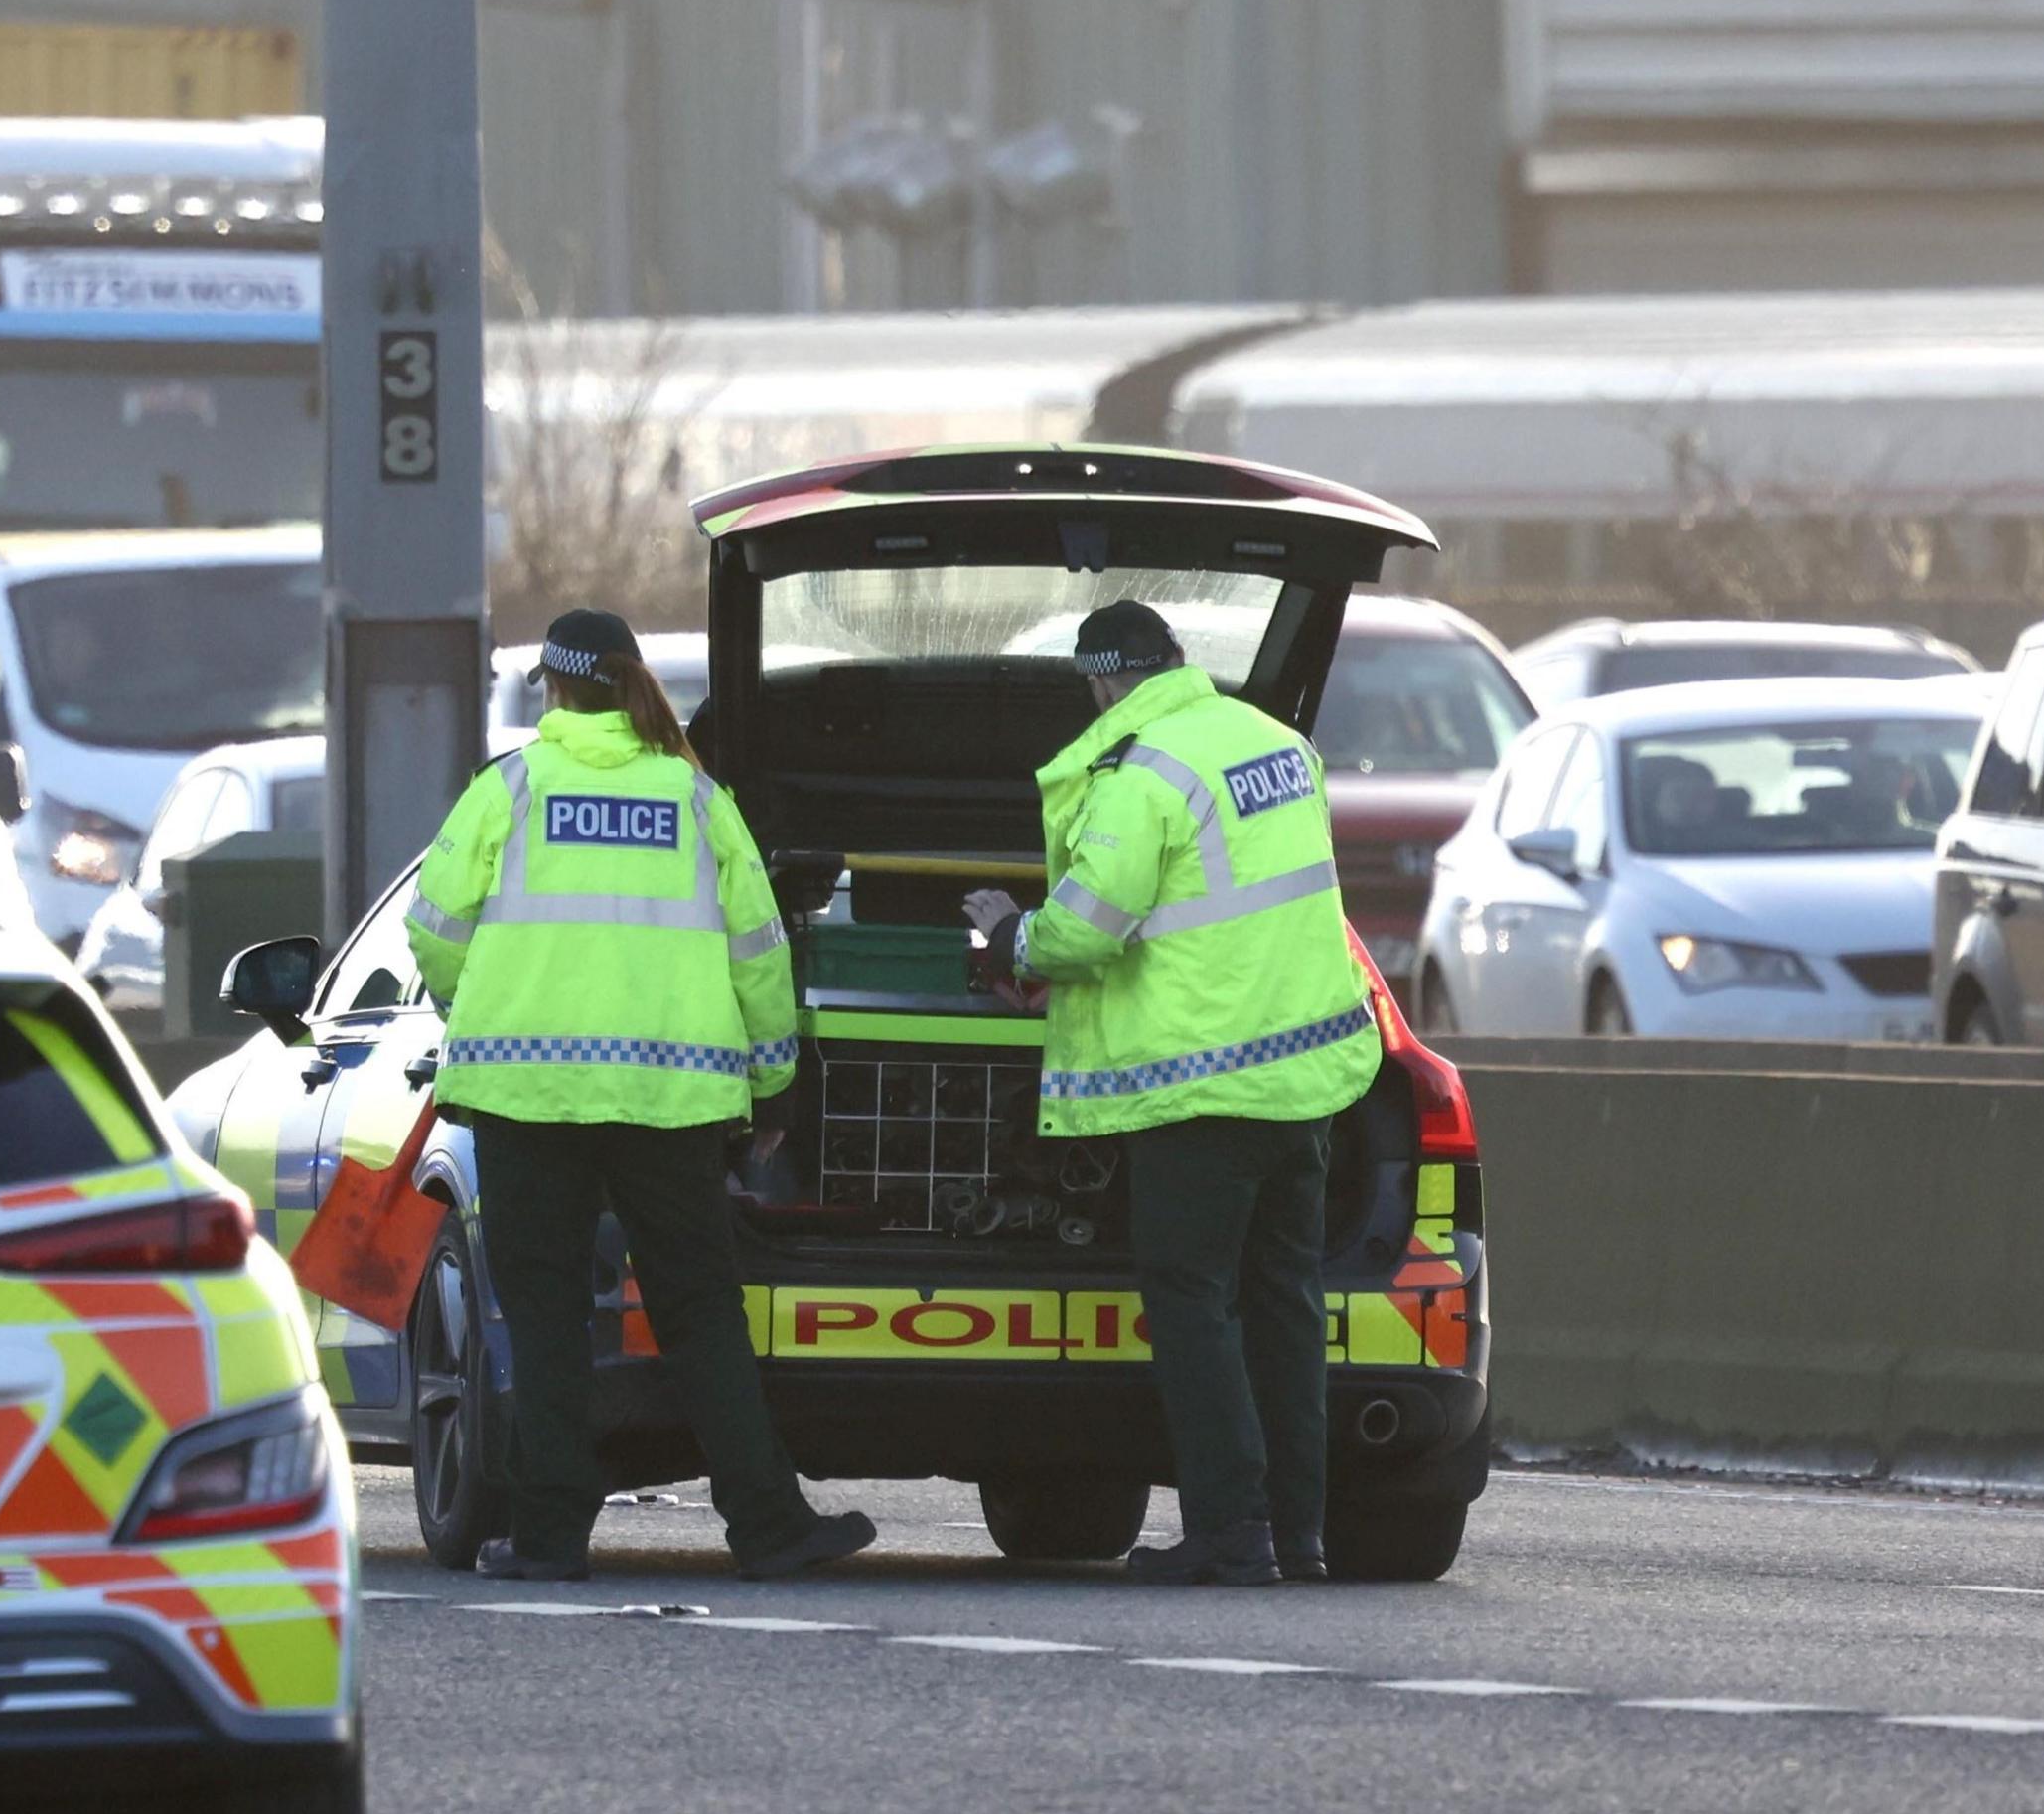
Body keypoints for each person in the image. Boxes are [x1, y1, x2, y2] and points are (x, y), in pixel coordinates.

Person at [405, 608, 875, 1585]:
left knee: (544, 1317)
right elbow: (759, 953)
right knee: (701, 1310)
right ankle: (767, 1522)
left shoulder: (512, 790)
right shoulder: (697, 799)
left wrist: (474, 1004)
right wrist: (774, 1078)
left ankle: (548, 1536)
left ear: (552, 685)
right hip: (673, 1102)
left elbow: (435, 927)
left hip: (528, 1094)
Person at [962, 600, 1382, 1586]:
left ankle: (1232, 1530)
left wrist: (1008, 932)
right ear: (1176, 661)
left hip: (1202, 1089)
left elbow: (1083, 933)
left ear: (1104, 681)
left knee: (1193, 1301)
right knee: (1284, 1302)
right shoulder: (1280, 747)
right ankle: (1297, 1529)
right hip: (1307, 1078)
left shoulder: (1141, 777)